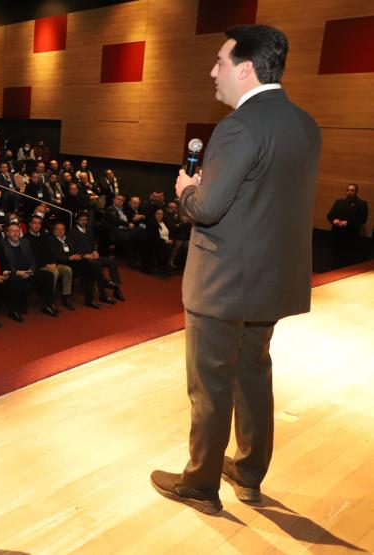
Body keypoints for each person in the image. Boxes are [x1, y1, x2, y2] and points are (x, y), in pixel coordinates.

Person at [152, 25, 322, 515]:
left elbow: (206, 208)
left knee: (210, 386)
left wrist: (187, 187)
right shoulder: (304, 124)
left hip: (223, 283)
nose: (212, 72)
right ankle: (248, 475)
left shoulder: (238, 127)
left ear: (245, 69)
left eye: (219, 63)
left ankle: (200, 485)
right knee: (254, 377)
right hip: (271, 282)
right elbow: (266, 201)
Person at [326, 184, 368, 267]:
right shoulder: (339, 202)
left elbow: (363, 219)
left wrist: (348, 223)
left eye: (352, 190)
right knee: (335, 257)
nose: (349, 192)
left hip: (350, 235)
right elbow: (330, 215)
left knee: (347, 259)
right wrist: (334, 220)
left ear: (356, 192)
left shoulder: (361, 203)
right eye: (348, 190)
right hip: (336, 233)